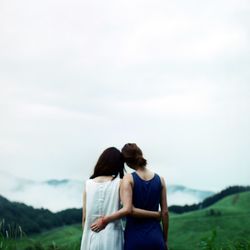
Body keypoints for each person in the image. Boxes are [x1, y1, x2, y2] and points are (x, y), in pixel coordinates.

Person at [91, 143, 169, 250]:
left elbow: (129, 209)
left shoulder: (128, 179)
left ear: (127, 163)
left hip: (134, 238)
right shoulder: (161, 180)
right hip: (156, 237)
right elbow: (164, 213)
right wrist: (164, 239)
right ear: (141, 154)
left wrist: (105, 220)